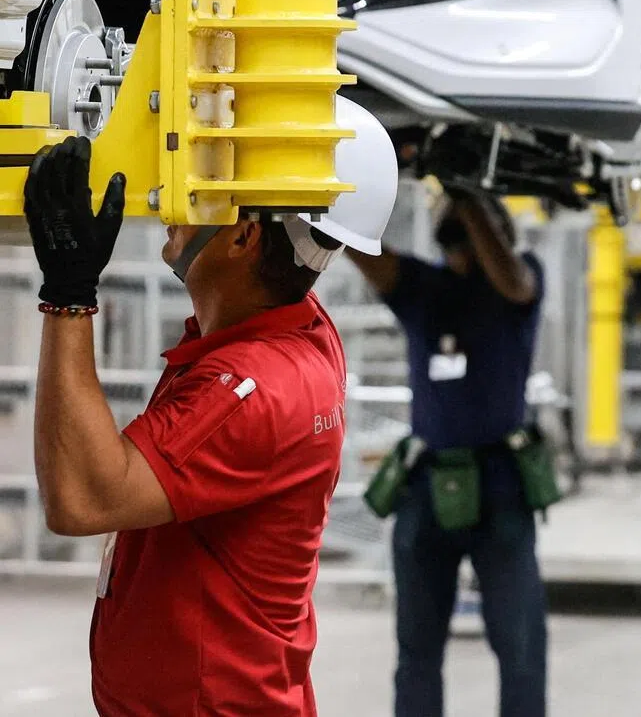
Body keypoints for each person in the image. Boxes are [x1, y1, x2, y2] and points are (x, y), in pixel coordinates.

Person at [26, 98, 397, 716]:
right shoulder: (297, 332)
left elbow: (81, 497)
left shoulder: (251, 388)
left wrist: (68, 292)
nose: (177, 196)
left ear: (247, 234)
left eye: (204, 186)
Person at [350, 189, 547, 717]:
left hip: (501, 488)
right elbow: (366, 255)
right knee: (416, 651)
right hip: (427, 489)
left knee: (520, 647)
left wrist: (466, 196)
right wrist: (330, 202)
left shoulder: (519, 279)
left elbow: (513, 278)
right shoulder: (422, 288)